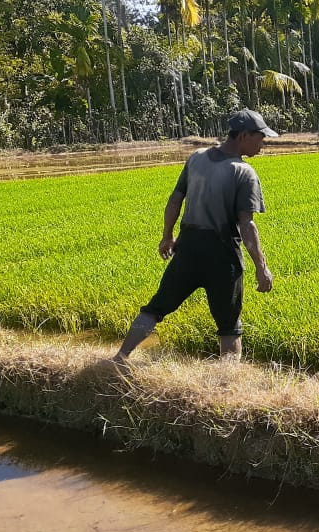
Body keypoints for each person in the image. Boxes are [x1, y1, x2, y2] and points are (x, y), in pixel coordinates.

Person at [113, 109, 277, 364]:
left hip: (187, 248)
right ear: (244, 135)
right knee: (229, 325)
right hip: (222, 255)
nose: (263, 143)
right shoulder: (245, 173)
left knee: (155, 308)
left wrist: (167, 236)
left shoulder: (197, 158)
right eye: (260, 137)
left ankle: (120, 359)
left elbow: (175, 199)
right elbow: (247, 226)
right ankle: (228, 383)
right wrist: (262, 268)